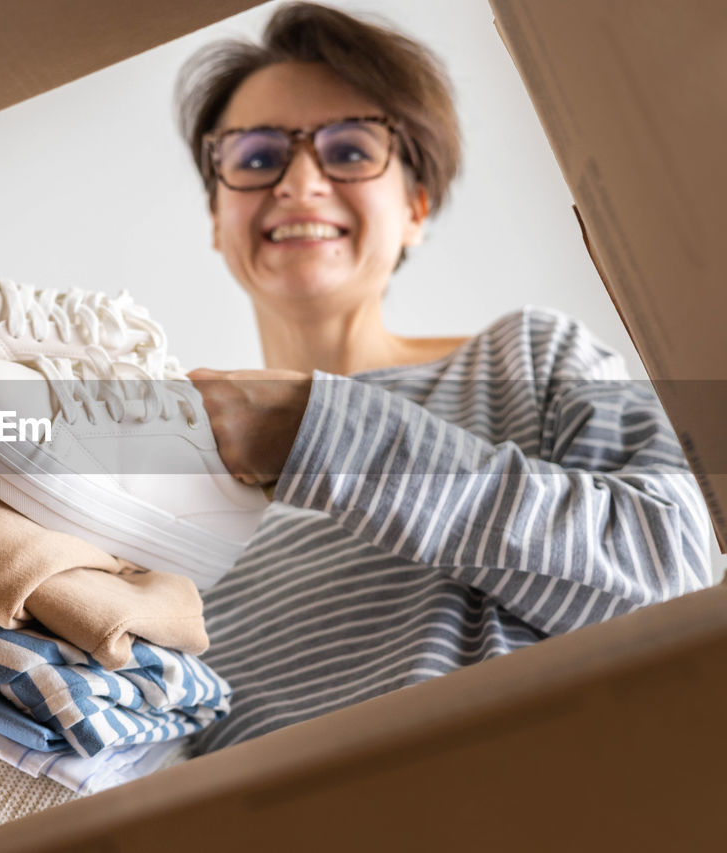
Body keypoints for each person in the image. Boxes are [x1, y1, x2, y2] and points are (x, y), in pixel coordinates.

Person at [180, 1, 714, 753]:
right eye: (258, 157)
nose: (299, 183)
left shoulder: (531, 357)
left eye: (351, 150)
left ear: (415, 208)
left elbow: (678, 575)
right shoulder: (161, 477)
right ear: (217, 214)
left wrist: (319, 435)